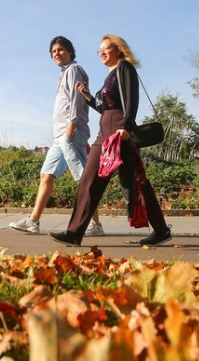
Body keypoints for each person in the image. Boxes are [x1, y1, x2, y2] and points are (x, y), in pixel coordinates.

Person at [50, 34, 172, 247]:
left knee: (135, 182)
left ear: (118, 49)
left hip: (118, 132)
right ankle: (74, 232)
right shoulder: (109, 76)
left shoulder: (125, 68)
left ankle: (161, 230)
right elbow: (105, 108)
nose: (102, 52)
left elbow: (131, 100)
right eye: (99, 50)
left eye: (107, 48)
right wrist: (88, 97)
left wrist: (125, 127)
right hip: (103, 133)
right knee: (89, 179)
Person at [10, 36, 103, 235]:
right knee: (46, 175)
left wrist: (72, 126)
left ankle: (95, 225)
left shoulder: (73, 70)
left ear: (70, 51)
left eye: (60, 50)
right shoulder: (65, 73)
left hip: (70, 133)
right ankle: (33, 221)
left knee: (83, 179)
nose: (56, 54)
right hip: (60, 135)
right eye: (53, 52)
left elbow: (77, 98)